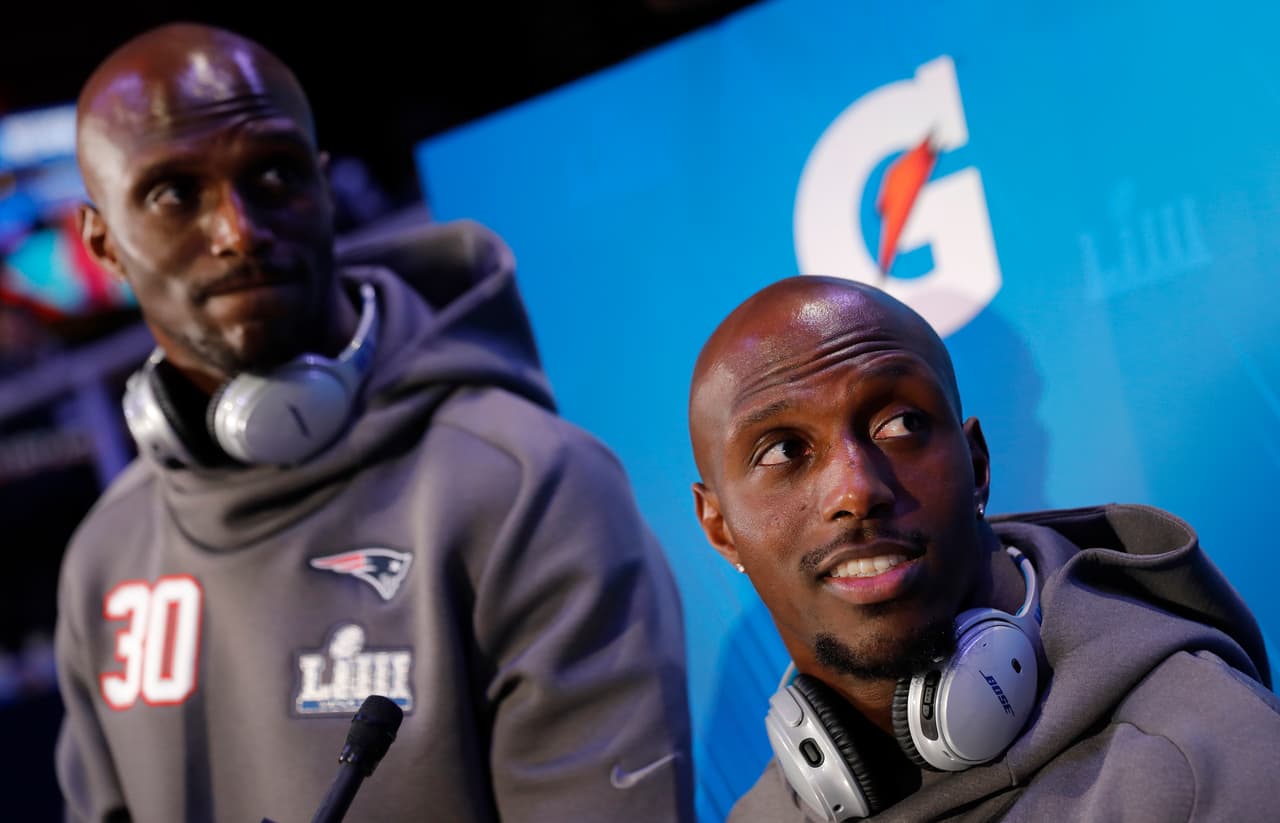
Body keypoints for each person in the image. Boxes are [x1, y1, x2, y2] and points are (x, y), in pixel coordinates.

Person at [55, 22, 694, 823]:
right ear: (102, 242)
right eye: (174, 194)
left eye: (274, 174)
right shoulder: (104, 558)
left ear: (324, 191)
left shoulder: (529, 486)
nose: (239, 231)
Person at [688, 275, 1280, 821]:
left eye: (900, 424)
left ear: (977, 467)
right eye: (783, 451)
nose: (855, 490)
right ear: (720, 529)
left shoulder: (1204, 763)